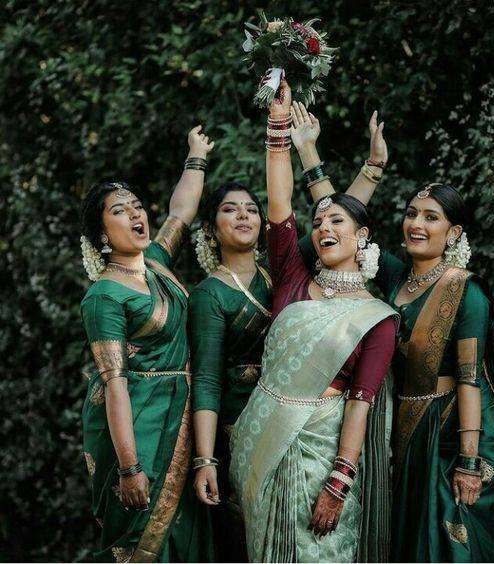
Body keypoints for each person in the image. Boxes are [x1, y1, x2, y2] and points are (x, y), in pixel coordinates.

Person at [297, 114, 494, 561]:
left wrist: (468, 462)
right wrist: (309, 152)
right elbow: (339, 222)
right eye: (411, 214)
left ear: (453, 233)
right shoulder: (395, 276)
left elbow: (470, 380)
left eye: (431, 217)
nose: (416, 224)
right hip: (405, 429)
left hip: (456, 434)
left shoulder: (466, 291)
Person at [229, 81, 398, 563]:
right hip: (264, 441)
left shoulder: (378, 318)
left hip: (324, 458)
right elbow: (279, 205)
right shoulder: (293, 277)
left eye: (337, 221)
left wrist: (339, 482)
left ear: (362, 235)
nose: (324, 227)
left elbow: (361, 402)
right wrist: (277, 127)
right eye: (319, 222)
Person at [79, 126, 215, 562]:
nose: (136, 214)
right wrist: (129, 467)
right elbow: (114, 385)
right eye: (120, 211)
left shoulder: (154, 264)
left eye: (137, 206)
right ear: (102, 235)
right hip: (139, 427)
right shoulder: (104, 296)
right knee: (142, 540)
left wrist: (196, 156)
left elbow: (181, 213)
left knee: (187, 534)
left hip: (183, 416)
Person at [188, 182, 272, 562]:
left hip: (291, 420)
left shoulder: (280, 279)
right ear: (210, 229)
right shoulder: (209, 295)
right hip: (237, 432)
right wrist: (206, 459)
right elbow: (206, 380)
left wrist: (373, 168)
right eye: (230, 209)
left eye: (251, 209)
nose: (243, 215)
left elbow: (340, 219)